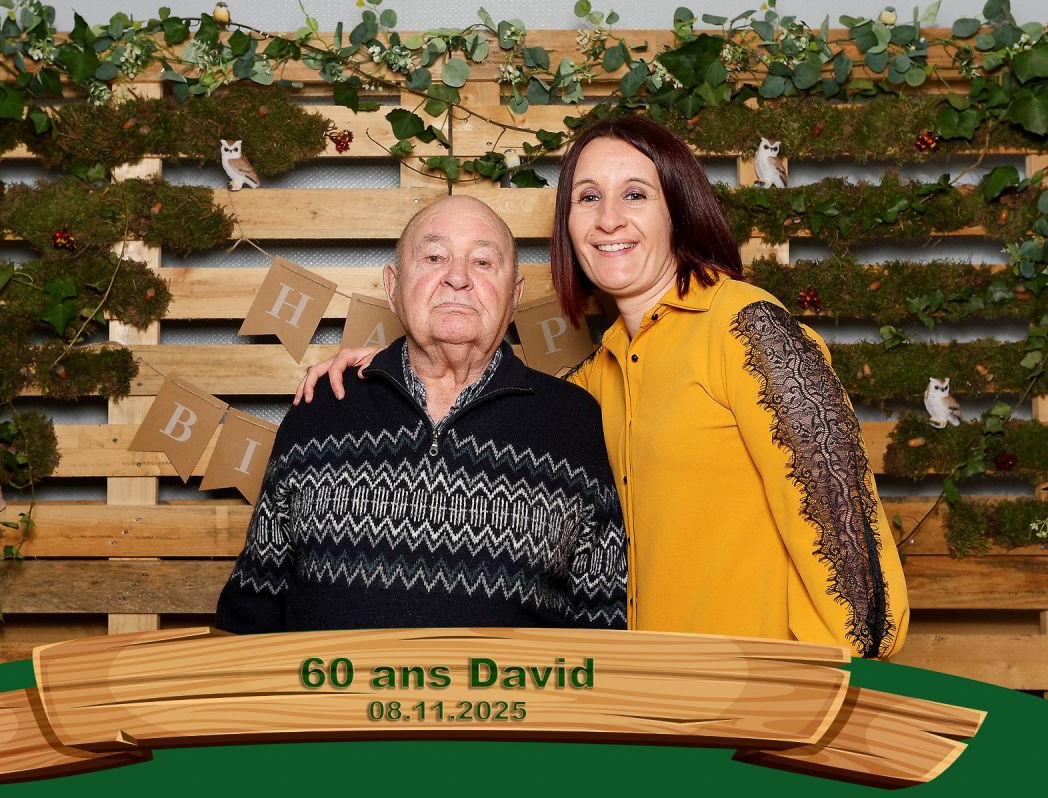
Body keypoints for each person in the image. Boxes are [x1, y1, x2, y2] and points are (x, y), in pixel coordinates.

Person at [294, 115, 909, 659]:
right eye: (588, 197)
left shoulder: (746, 328)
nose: (608, 218)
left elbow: (848, 544)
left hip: (766, 700)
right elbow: (492, 393)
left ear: (677, 209)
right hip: (649, 707)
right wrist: (398, 361)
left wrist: (829, 692)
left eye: (634, 194)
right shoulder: (592, 380)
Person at [216, 195, 627, 633]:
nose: (457, 278)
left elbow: (603, 623)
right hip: (331, 681)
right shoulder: (323, 404)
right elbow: (252, 607)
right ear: (393, 287)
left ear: (515, 296)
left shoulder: (572, 419)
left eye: (483, 262)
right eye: (434, 257)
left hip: (505, 684)